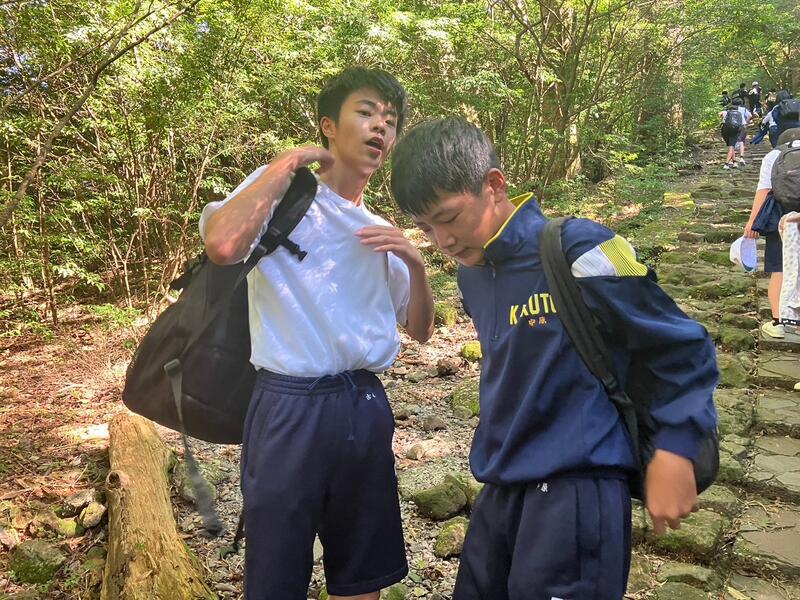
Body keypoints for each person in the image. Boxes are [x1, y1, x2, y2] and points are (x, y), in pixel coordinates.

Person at [389, 117, 719, 600]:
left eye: (449, 217)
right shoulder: (471, 276)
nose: (443, 241)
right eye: (425, 227)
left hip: (578, 489)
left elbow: (681, 346)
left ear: (494, 185)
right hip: (501, 486)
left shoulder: (581, 248)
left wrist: (676, 448)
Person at [200, 67, 435, 600]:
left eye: (390, 120)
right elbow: (222, 246)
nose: (381, 127)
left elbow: (420, 331)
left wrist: (416, 265)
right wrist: (285, 163)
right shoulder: (281, 197)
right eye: (366, 112)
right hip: (289, 404)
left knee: (362, 570)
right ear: (329, 125)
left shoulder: (381, 231)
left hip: (364, 404)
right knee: (276, 573)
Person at [744, 127, 800, 339]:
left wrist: (752, 222)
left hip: (781, 217)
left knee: (779, 268)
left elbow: (764, 190)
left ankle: (779, 323)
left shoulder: (774, 155)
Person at [720, 98, 750, 168]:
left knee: (731, 146)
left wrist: (722, 119)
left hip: (725, 130)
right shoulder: (741, 111)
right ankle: (726, 164)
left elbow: (720, 114)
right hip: (737, 129)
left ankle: (734, 162)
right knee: (733, 146)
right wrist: (746, 122)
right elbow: (749, 116)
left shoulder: (726, 112)